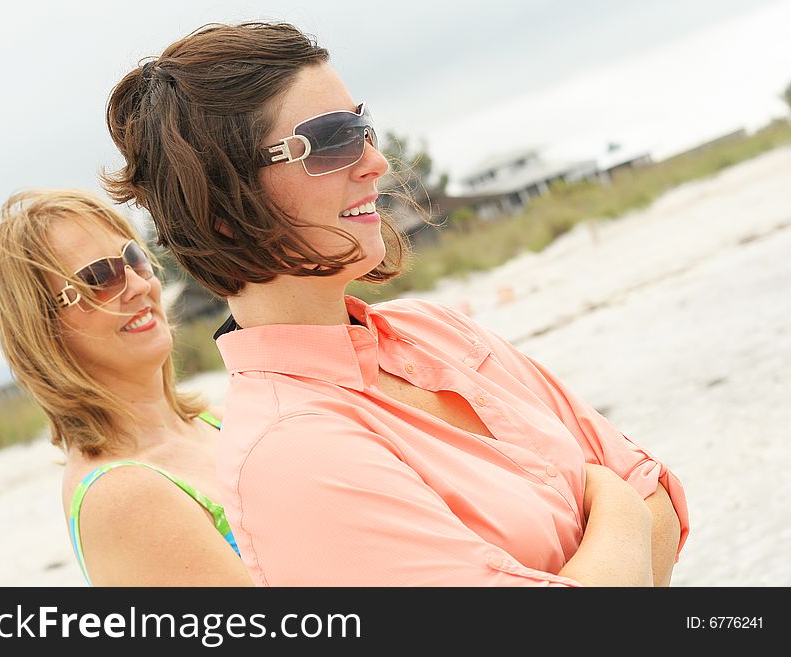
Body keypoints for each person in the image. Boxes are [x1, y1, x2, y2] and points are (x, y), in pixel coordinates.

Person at [102, 22, 689, 586]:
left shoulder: (434, 331)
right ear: (223, 211)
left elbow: (658, 487)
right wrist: (617, 506)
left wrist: (620, 541)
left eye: (362, 127)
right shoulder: (291, 454)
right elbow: (635, 498)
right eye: (330, 141)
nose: (375, 160)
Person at [0, 189, 253, 587]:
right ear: (45, 328)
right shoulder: (122, 496)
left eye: (134, 260)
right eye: (98, 278)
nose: (137, 286)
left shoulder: (212, 421)